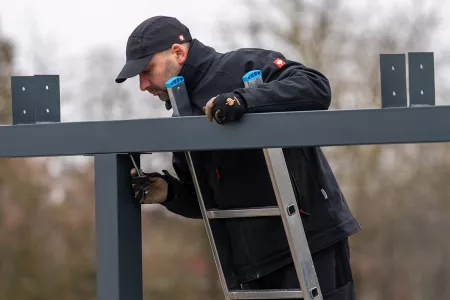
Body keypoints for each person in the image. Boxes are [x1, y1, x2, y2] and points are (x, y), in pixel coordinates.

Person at [115, 16, 361, 300]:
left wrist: (244, 100)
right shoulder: (183, 117)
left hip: (310, 243)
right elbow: (205, 201)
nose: (143, 85)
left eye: (147, 71)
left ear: (179, 53)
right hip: (251, 265)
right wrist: (170, 193)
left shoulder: (242, 66)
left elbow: (316, 87)